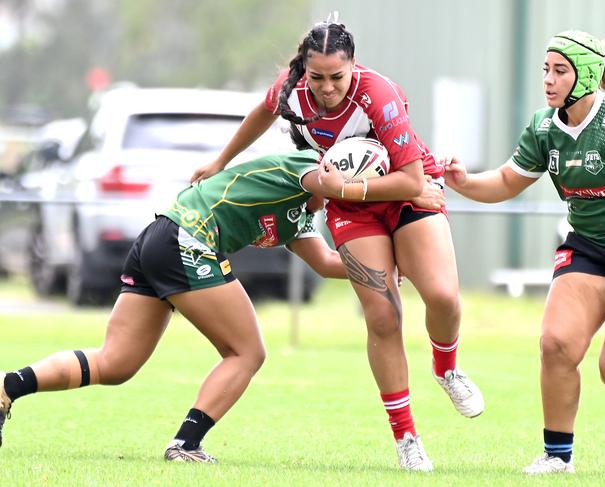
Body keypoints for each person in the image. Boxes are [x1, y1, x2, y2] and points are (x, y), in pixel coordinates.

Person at [0, 148, 442, 463]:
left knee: (115, 364)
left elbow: (328, 263)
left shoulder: (305, 212)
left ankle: (8, 387)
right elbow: (330, 180)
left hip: (163, 239)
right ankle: (186, 444)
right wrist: (406, 192)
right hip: (185, 240)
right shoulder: (310, 169)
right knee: (247, 352)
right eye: (367, 185)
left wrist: (387, 265)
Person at [192, 16, 484, 471]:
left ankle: (446, 367)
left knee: (443, 296)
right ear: (304, 71)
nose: (327, 88)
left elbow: (409, 180)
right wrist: (219, 160)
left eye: (337, 77)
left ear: (354, 67)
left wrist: (346, 189)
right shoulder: (294, 91)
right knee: (383, 315)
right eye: (317, 77)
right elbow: (261, 113)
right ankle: (407, 437)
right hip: (351, 209)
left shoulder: (378, 96)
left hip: (408, 189)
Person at [444, 30, 605, 475]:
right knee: (556, 344)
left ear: (587, 76)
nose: (549, 80)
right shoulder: (543, 127)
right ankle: (558, 456)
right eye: (546, 70)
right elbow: (505, 182)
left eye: (560, 71)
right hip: (589, 245)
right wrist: (464, 182)